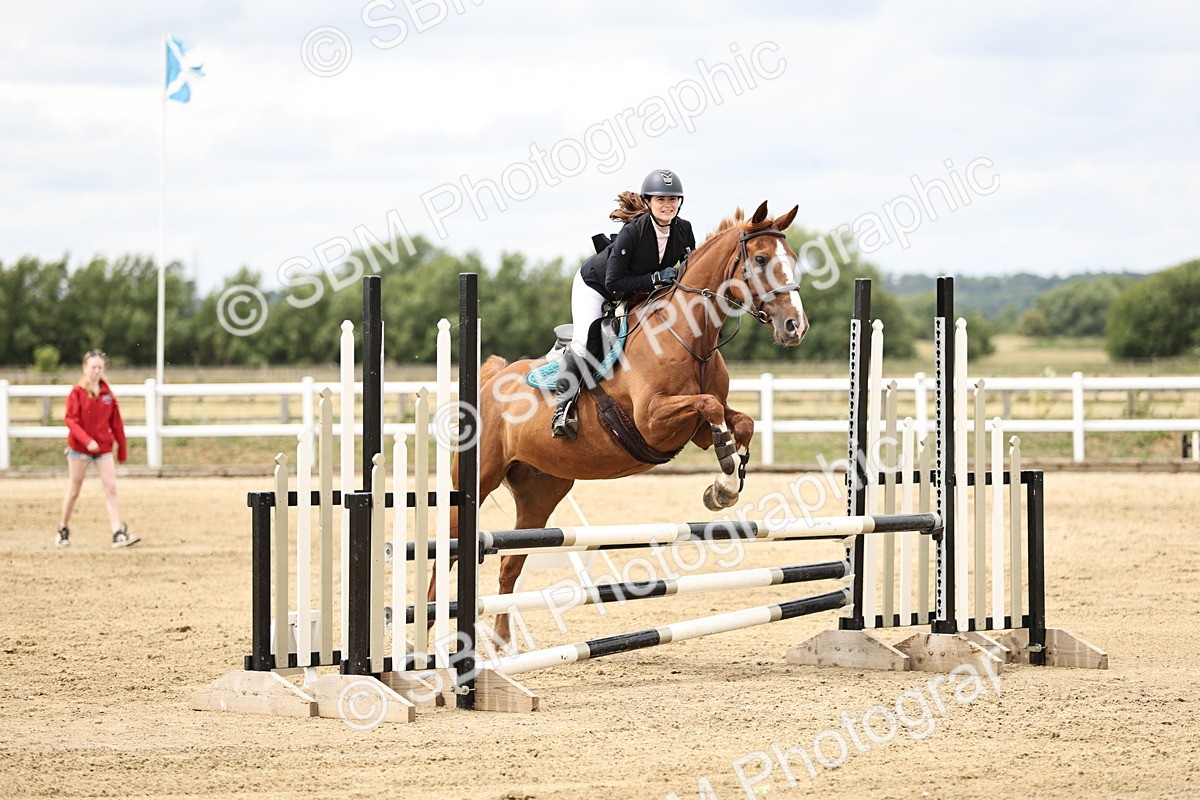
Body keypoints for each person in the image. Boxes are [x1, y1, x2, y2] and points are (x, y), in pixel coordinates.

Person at [551, 168, 697, 439]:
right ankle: (562, 411)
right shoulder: (633, 232)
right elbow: (614, 283)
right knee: (585, 343)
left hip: (639, 291)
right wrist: (655, 277)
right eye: (660, 199)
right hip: (597, 286)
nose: (668, 205)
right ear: (648, 202)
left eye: (673, 199)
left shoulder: (684, 230)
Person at [57, 349, 139, 548]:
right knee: (74, 489)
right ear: (85, 368)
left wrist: (122, 448)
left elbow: (117, 423)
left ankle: (117, 532)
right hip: (79, 449)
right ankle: (63, 528)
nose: (96, 371)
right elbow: (71, 420)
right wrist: (86, 441)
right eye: (93, 367)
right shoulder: (76, 393)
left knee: (111, 488)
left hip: (103, 449)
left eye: (100, 367)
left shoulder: (107, 394)